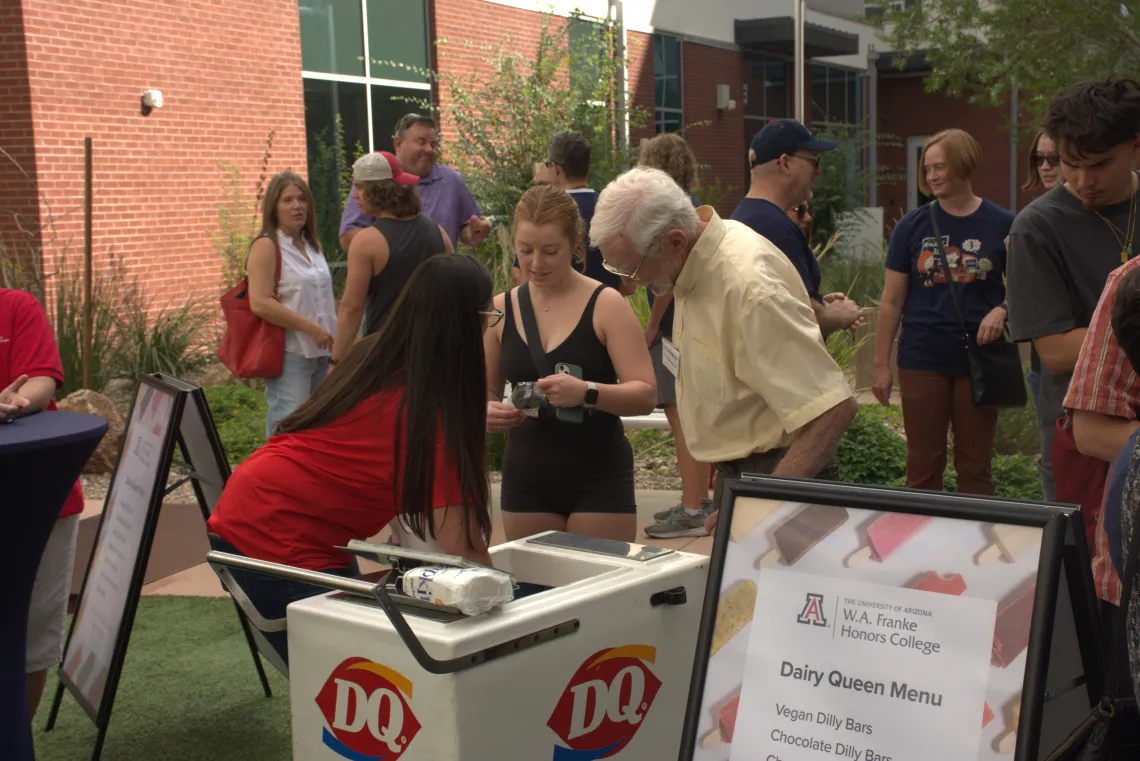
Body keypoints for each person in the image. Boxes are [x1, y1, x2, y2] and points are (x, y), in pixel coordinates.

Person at [207, 254, 496, 664]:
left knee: (352, 669)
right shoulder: (430, 414)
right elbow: (465, 552)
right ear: (471, 323)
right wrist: (512, 604)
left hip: (258, 509)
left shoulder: (376, 353)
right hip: (279, 536)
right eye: (489, 315)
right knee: (349, 678)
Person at [591, 168, 858, 537]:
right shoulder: (693, 261)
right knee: (741, 596)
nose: (632, 285)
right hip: (747, 479)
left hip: (787, 477)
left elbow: (832, 407)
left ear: (674, 240)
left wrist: (762, 504)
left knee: (787, 594)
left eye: (632, 268)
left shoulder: (746, 286)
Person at [1007, 76, 1140, 539]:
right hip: (1082, 442)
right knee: (1085, 589)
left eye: (1100, 164)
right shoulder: (1036, 228)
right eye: (1069, 164)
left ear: (1135, 148)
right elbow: (1057, 350)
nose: (1083, 181)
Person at [484, 185, 655, 543]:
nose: (535, 263)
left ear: (575, 243)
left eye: (550, 251)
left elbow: (644, 395)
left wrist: (587, 393)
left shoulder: (606, 303)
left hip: (598, 476)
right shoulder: (499, 309)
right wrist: (486, 411)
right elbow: (481, 392)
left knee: (599, 590)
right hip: (526, 477)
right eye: (525, 250)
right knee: (536, 593)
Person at [872, 129, 1013, 495]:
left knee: (975, 466)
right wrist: (881, 364)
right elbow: (891, 301)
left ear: (963, 165)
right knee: (923, 464)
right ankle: (921, 544)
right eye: (927, 168)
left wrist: (1003, 309)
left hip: (979, 359)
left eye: (940, 167)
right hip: (922, 355)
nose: (932, 176)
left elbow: (1028, 287)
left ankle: (974, 545)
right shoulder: (912, 225)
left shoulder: (1002, 224)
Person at [0, 288, 84, 720]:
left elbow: (41, 381)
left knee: (29, 641)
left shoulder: (15, 306)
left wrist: (15, 402)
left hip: (37, 499)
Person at [635, 133, 712, 530]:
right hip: (692, 328)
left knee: (680, 417)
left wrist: (649, 326)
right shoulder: (693, 207)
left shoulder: (669, 214)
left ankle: (693, 508)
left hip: (670, 329)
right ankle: (699, 499)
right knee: (691, 418)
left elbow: (670, 279)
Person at [731, 119, 862, 338]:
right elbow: (802, 324)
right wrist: (840, 314)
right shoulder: (776, 228)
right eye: (814, 161)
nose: (818, 171)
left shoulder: (742, 218)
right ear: (785, 163)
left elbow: (776, 307)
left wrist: (818, 302)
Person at [331, 152, 453, 362]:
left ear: (377, 191)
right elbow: (456, 288)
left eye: (359, 187)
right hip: (434, 353)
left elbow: (352, 307)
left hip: (386, 356)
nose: (354, 195)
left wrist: (336, 361)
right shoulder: (438, 232)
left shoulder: (366, 242)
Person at [247, 171, 337, 438]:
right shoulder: (267, 245)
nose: (297, 206)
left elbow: (324, 296)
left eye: (302, 199)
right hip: (292, 353)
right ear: (274, 208)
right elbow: (260, 302)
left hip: (322, 352)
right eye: (287, 200)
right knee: (288, 428)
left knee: (316, 427)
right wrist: (311, 328)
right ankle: (271, 480)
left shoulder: (312, 245)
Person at [338, 114, 491, 251]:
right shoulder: (375, 178)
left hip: (442, 279)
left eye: (433, 144)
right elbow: (348, 237)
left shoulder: (451, 180)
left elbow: (466, 232)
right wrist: (400, 248)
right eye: (421, 142)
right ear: (398, 144)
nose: (429, 150)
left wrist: (476, 232)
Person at [512, 131, 634, 296]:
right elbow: (628, 284)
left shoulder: (542, 212)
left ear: (555, 168)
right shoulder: (613, 210)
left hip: (553, 311)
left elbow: (520, 277)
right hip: (605, 311)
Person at [1019, 130, 1064, 419]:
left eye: (1053, 159)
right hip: (1043, 363)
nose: (1045, 167)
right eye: (1039, 159)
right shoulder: (1032, 222)